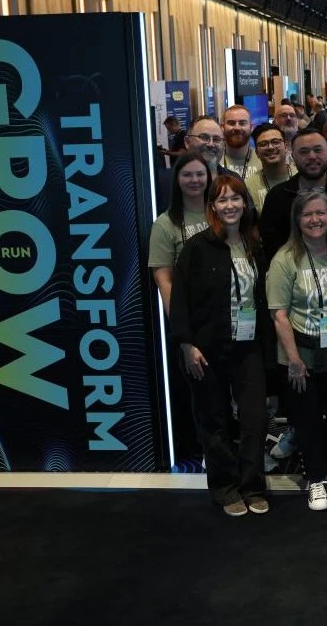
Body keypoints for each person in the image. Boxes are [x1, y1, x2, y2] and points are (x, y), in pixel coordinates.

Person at [168, 174, 270, 516]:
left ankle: (253, 485)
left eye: (235, 199)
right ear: (213, 207)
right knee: (214, 419)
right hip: (206, 348)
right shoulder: (197, 248)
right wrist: (186, 344)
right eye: (222, 200)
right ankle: (226, 488)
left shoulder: (255, 244)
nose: (230, 206)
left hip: (249, 346)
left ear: (245, 203)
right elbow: (179, 300)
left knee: (255, 418)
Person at [267, 191, 327, 511]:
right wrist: (293, 360)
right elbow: (279, 314)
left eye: (321, 213)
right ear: (297, 219)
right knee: (306, 418)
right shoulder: (285, 258)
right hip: (300, 354)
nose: (315, 220)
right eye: (308, 214)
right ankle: (316, 478)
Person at [148, 150, 211, 461]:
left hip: (227, 319)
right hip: (191, 323)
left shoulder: (219, 212)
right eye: (187, 175)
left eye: (200, 174)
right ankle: (200, 453)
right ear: (177, 180)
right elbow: (164, 281)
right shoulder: (165, 224)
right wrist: (183, 332)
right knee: (197, 393)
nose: (195, 180)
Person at [259, 129, 327, 265]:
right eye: (304, 152)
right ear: (293, 156)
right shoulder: (277, 197)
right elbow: (271, 245)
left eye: (318, 150)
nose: (312, 156)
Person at [245, 124, 292, 214]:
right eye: (263, 144)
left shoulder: (301, 176)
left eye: (275, 142)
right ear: (257, 152)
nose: (270, 147)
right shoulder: (248, 186)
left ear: (285, 147)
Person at [221, 105, 261, 180]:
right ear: (222, 127)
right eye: (231, 123)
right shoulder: (214, 160)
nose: (237, 128)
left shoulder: (263, 159)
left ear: (251, 127)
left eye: (242, 123)